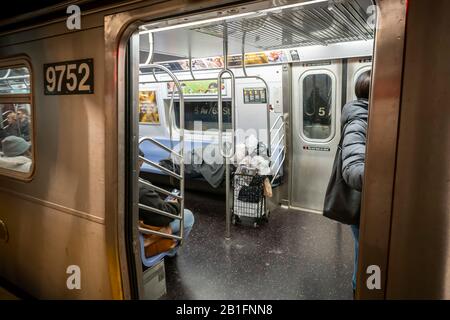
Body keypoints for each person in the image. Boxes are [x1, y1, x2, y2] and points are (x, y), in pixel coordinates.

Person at [340, 70, 371, 296]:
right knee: (366, 254)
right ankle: (359, 290)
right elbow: (352, 168)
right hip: (363, 203)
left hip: (368, 203)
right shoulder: (360, 120)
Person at [138, 148, 194, 258]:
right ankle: (169, 251)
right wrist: (175, 204)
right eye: (139, 165)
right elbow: (164, 216)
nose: (140, 169)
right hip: (144, 228)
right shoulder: (141, 190)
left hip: (139, 219)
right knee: (188, 216)